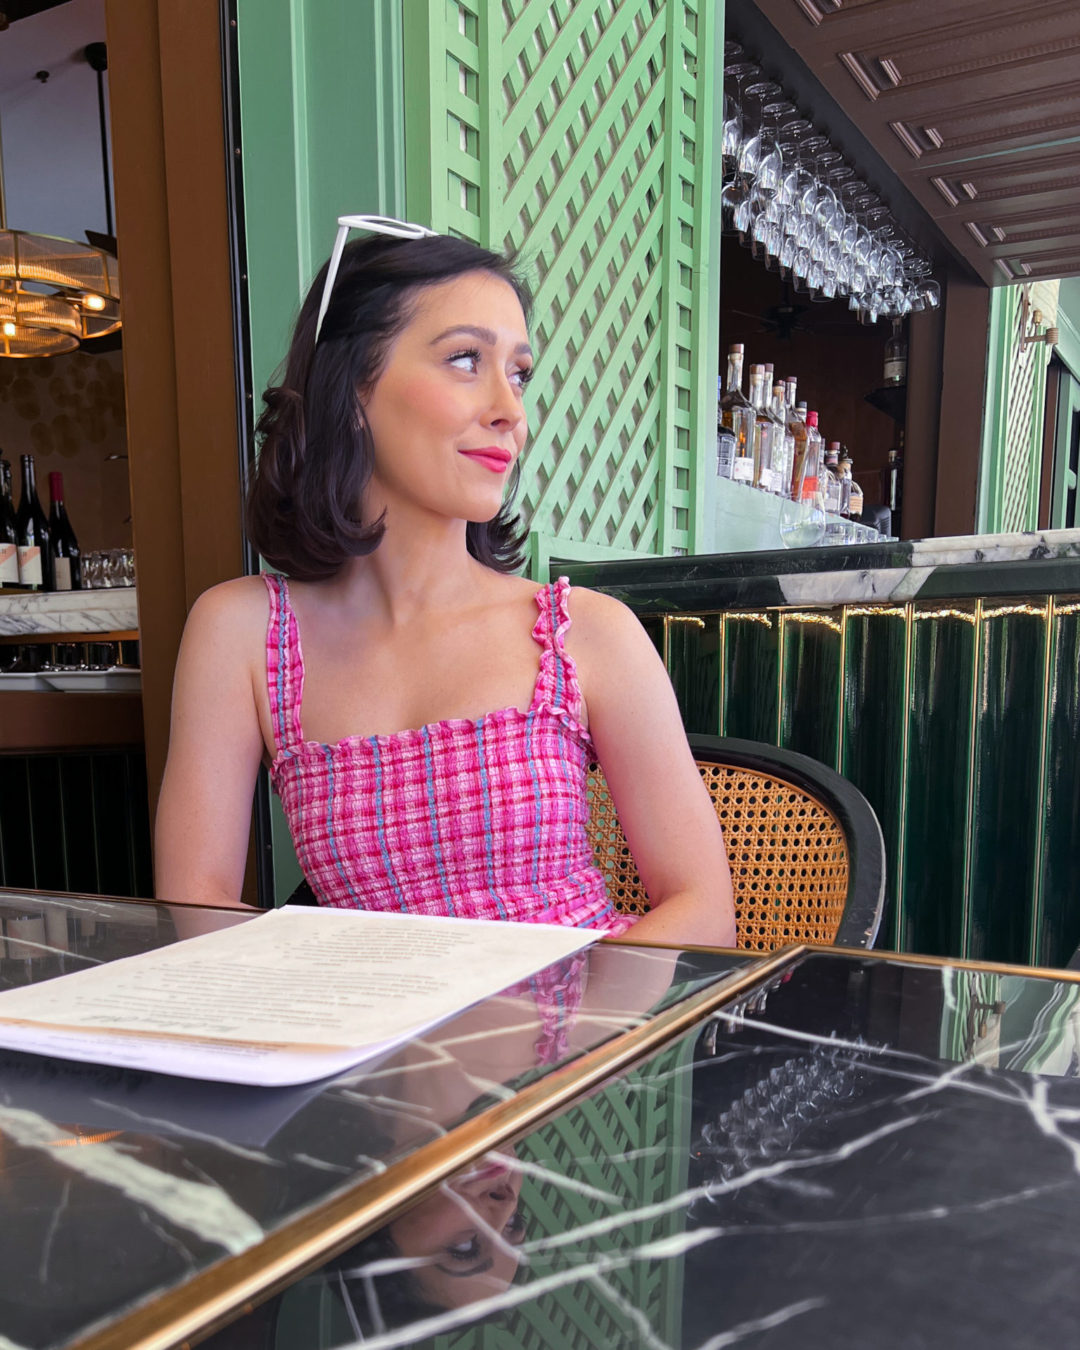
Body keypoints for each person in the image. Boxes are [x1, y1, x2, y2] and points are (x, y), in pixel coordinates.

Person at [154, 216, 735, 948]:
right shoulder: (242, 631)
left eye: (518, 373)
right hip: (367, 1045)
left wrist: (546, 1035)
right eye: (466, 360)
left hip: (578, 1040)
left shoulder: (582, 631)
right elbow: (194, 902)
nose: (510, 410)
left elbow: (702, 908)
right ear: (353, 388)